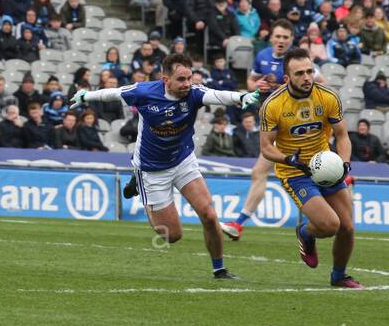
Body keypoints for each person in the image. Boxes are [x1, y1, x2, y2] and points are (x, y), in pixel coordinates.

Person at [72, 53, 268, 280]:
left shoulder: (194, 93)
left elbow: (217, 95)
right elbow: (114, 93)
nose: (187, 84)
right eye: (181, 79)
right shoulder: (145, 92)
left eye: (189, 78)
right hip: (152, 169)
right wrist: (86, 96)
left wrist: (241, 97)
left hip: (183, 161)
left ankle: (219, 269)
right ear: (166, 80)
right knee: (171, 235)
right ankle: (139, 183)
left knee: (209, 214)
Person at [258, 47, 363, 288]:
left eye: (310, 71)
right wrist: (288, 159)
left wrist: (344, 164)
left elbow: (343, 136)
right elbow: (266, 147)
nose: (307, 77)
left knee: (347, 227)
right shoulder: (273, 105)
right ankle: (306, 233)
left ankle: (339, 276)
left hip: (327, 166)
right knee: (329, 225)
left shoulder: (328, 97)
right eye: (299, 73)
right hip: (295, 172)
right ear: (287, 78)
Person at [224, 18, 295, 238]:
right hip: (273, 124)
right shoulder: (263, 56)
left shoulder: (296, 60)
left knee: (261, 172)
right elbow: (251, 82)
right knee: (260, 172)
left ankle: (238, 223)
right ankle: (238, 224)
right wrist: (258, 85)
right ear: (271, 37)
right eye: (278, 36)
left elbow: (317, 82)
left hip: (292, 124)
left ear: (291, 39)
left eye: (286, 37)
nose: (281, 41)